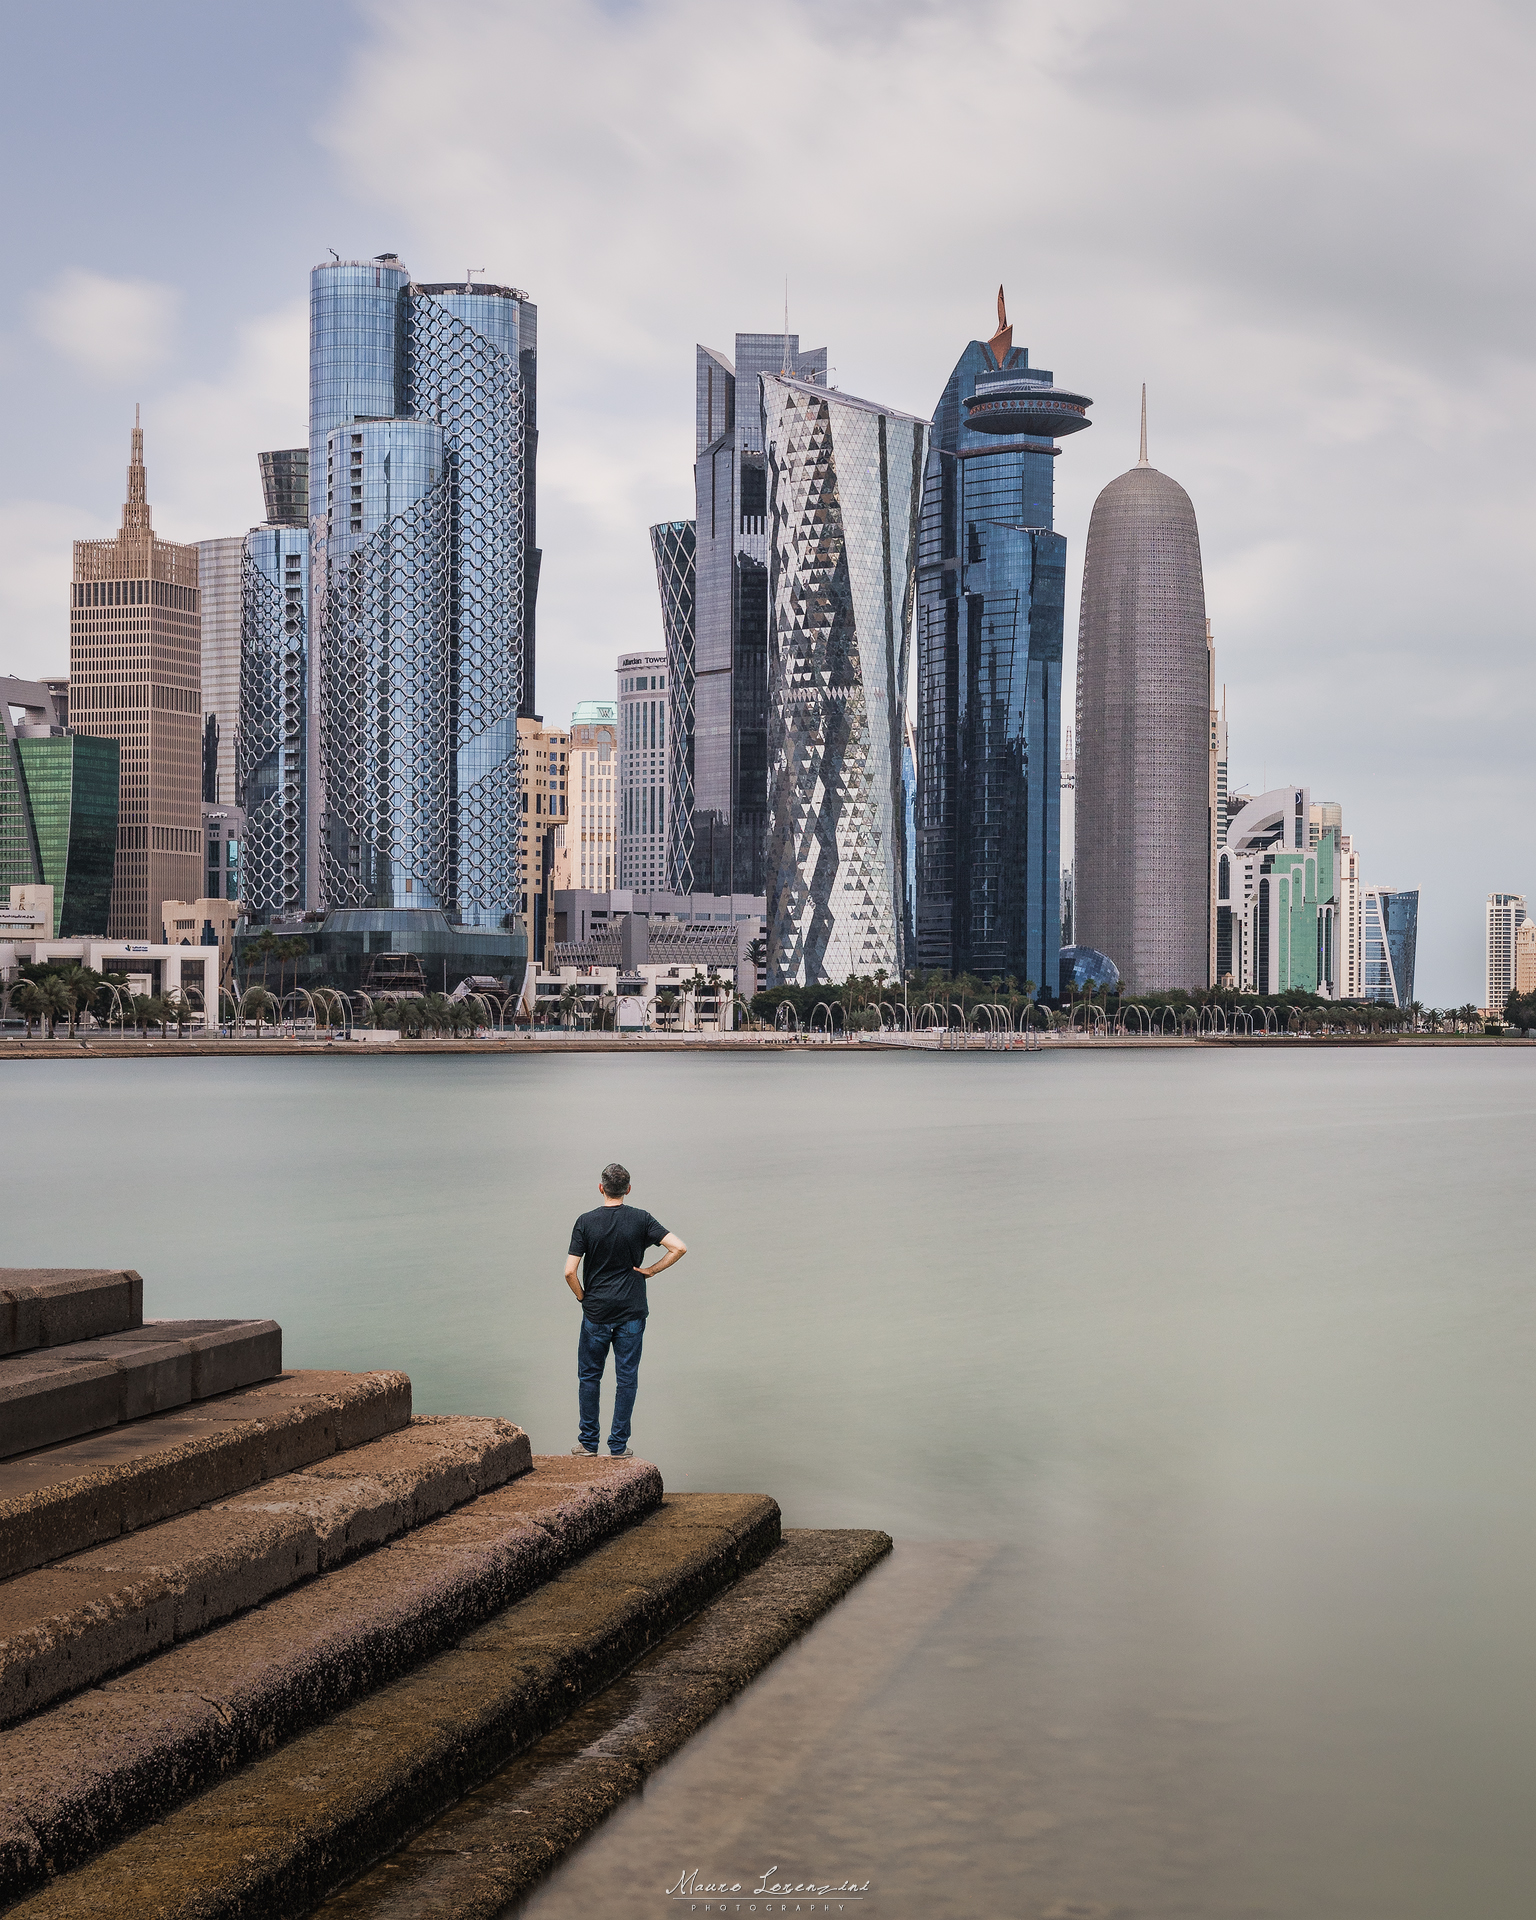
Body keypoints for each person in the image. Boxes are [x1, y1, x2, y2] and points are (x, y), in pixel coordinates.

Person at [565, 1162, 687, 1457]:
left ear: (601, 1188)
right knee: (627, 1377)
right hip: (632, 1312)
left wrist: (583, 1297)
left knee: (590, 1376)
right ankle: (618, 1446)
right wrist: (652, 1270)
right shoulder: (641, 1219)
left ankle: (588, 1443)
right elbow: (679, 1247)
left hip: (596, 1313)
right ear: (628, 1190)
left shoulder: (585, 1221)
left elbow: (569, 1272)